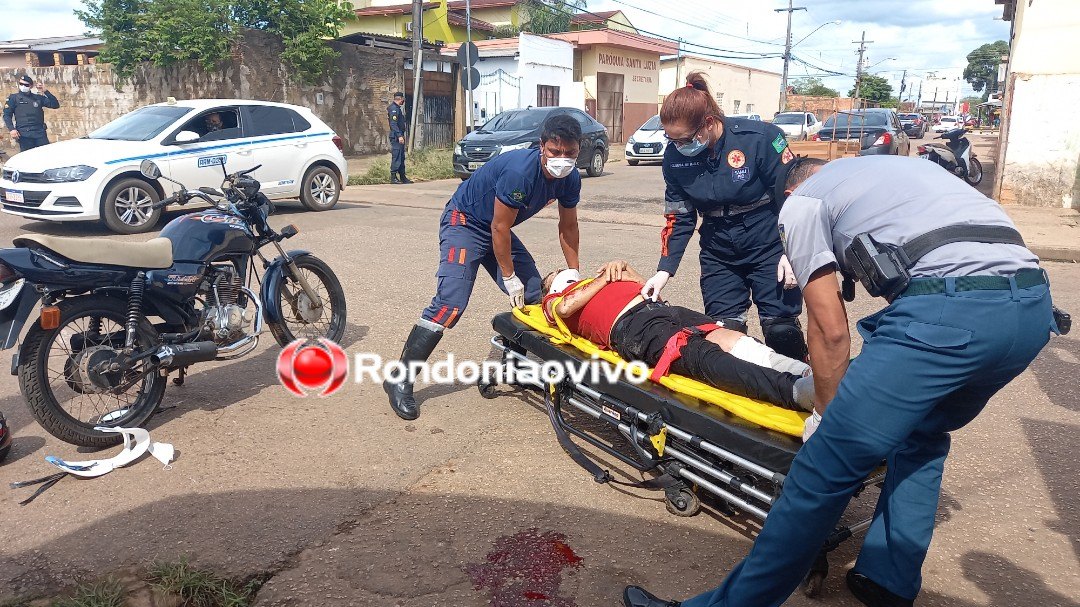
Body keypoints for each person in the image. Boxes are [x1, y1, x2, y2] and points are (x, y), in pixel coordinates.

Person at [624, 155, 1057, 607]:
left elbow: (830, 331)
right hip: (1030, 313)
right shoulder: (901, 173)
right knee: (922, 438)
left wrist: (825, 419)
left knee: (821, 471)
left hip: (948, 316)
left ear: (787, 196)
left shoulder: (803, 202)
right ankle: (886, 580)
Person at [384, 113, 584, 420]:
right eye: (555, 152)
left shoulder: (570, 178)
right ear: (542, 145)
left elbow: (568, 226)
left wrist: (574, 273)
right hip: (465, 222)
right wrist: (509, 277)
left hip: (496, 227)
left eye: (569, 153)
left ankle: (517, 367)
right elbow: (499, 228)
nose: (562, 159)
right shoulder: (521, 172)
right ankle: (400, 378)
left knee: (534, 296)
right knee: (450, 304)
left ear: (578, 150)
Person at [642, 72, 807, 362]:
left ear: (708, 123)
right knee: (724, 335)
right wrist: (664, 269)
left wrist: (792, 249)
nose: (679, 146)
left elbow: (793, 196)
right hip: (719, 249)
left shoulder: (759, 139)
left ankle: (800, 390)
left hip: (768, 244)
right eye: (672, 139)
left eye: (685, 139)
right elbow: (679, 215)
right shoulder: (675, 157)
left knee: (781, 330)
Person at [542, 261, 815, 410]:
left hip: (660, 308)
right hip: (632, 327)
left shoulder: (603, 276)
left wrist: (623, 268)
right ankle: (795, 391)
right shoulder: (555, 298)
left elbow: (650, 289)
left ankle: (803, 372)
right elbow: (564, 309)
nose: (559, 271)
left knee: (727, 337)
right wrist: (604, 280)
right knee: (698, 355)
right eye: (553, 274)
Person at [3, 75, 60, 152]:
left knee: (46, 156)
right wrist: (12, 129)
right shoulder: (13, 98)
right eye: (21, 84)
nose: (23, 86)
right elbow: (7, 115)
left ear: (31, 86)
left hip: (39, 133)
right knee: (28, 159)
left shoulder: (37, 98)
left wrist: (45, 91)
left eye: (26, 85)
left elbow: (55, 105)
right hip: (24, 134)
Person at [387, 92, 412, 184]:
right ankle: (393, 177)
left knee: (401, 157)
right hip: (396, 137)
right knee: (397, 156)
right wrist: (399, 136)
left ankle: (402, 177)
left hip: (399, 135)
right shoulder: (393, 109)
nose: (403, 101)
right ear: (400, 99)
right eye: (403, 99)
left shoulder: (397, 108)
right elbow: (393, 124)